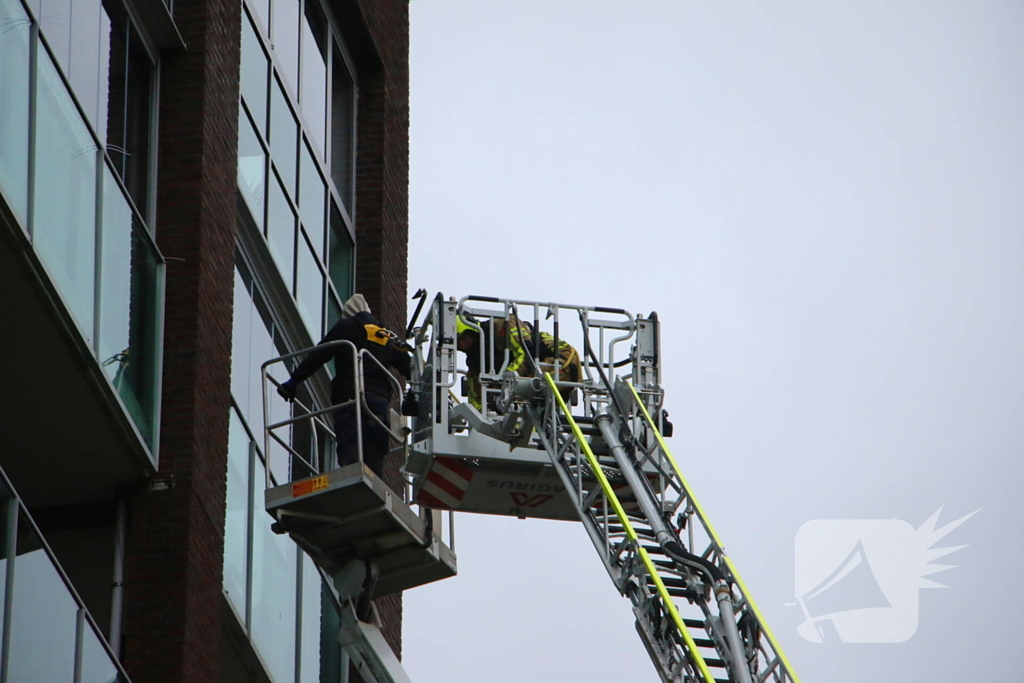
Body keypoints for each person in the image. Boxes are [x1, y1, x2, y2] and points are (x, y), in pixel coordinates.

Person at [277, 294, 410, 478]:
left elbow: (319, 355)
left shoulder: (347, 327)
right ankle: (373, 488)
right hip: (379, 404)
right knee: (374, 453)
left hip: (350, 399)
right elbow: (409, 366)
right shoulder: (387, 334)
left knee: (351, 447)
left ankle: (353, 481)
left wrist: (293, 382)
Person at [456, 313, 582, 411]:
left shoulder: (502, 325)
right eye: (458, 345)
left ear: (471, 329)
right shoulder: (477, 359)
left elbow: (525, 352)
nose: (462, 345)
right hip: (538, 370)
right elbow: (475, 392)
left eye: (462, 339)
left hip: (559, 359)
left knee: (520, 392)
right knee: (522, 404)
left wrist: (504, 382)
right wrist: (479, 412)